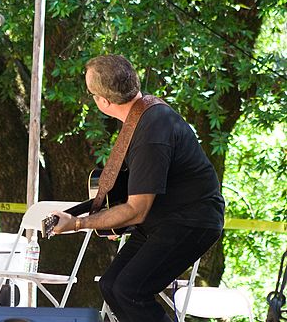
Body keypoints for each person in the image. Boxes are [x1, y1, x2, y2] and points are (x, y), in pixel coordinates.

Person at [51, 55, 224, 322]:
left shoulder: (151, 131)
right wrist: (114, 222)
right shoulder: (142, 114)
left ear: (104, 102)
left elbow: (136, 210)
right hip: (163, 219)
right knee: (111, 285)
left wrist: (76, 223)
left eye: (91, 93)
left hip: (191, 221)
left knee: (130, 290)